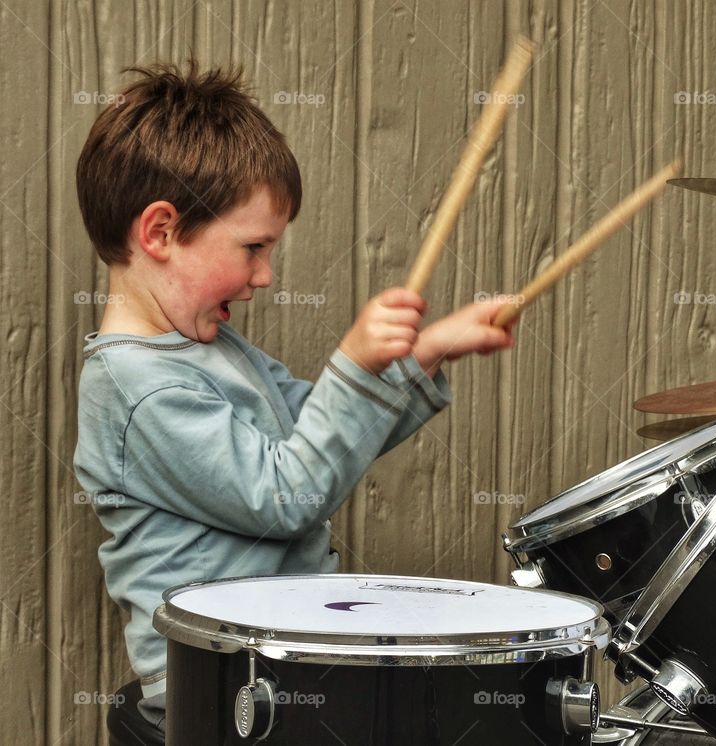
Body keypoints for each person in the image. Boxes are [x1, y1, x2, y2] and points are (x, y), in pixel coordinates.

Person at [73, 60, 515, 741]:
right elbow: (288, 496)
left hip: (279, 663)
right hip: (222, 683)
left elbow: (324, 430)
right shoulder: (138, 388)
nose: (264, 276)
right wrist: (354, 363)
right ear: (159, 232)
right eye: (252, 247)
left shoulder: (212, 347)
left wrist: (423, 353)